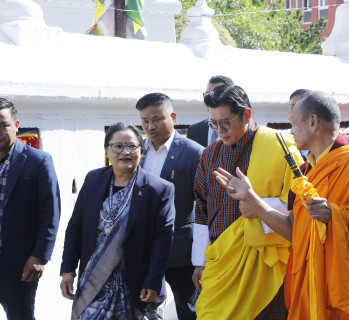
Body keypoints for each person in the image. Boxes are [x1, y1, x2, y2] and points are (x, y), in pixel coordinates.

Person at [214, 91, 349, 319]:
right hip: (314, 283)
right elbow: (294, 230)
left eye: (294, 124)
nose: (291, 131)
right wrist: (250, 198)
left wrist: (335, 215)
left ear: (313, 122)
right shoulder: (307, 171)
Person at [192, 85, 301, 319]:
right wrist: (198, 260)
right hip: (222, 261)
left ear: (247, 115)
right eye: (213, 123)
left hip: (266, 263)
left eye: (226, 122)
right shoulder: (210, 154)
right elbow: (200, 207)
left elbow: (301, 203)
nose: (220, 130)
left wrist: (258, 206)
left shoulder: (279, 145)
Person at [60, 122, 176, 319]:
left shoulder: (159, 189)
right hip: (94, 282)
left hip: (137, 286)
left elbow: (163, 242)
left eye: (132, 146)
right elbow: (75, 227)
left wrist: (153, 280)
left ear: (141, 149)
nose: (125, 152)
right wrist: (68, 270)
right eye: (117, 146)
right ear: (107, 150)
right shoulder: (93, 179)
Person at [136, 93, 204, 319]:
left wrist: (200, 259)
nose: (150, 126)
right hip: (142, 248)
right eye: (144, 121)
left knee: (189, 310)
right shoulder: (136, 151)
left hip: (181, 251)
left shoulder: (194, 152)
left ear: (173, 117)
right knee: (144, 309)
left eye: (156, 119)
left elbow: (204, 206)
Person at [0, 98, 60, 319]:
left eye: (3, 124)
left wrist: (39, 256)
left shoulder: (38, 161)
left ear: (16, 125)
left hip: (19, 263)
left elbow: (50, 212)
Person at [187, 75, 234, 147]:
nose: (211, 98)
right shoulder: (194, 130)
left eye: (217, 94)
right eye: (208, 94)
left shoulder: (238, 128)